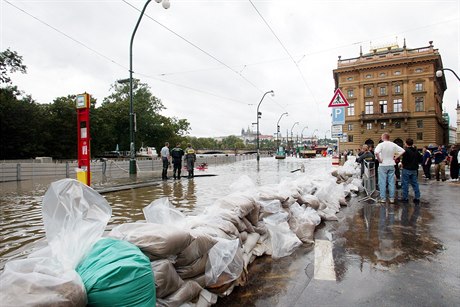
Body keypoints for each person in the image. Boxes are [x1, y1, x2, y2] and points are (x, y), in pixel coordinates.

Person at [374, 133, 405, 203]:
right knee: (391, 182)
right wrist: (396, 156)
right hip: (391, 164)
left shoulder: (380, 145)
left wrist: (379, 159)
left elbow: (376, 152)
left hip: (383, 165)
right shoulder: (393, 144)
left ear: (383, 137)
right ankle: (391, 198)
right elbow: (403, 151)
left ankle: (383, 198)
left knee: (382, 182)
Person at [400, 138, 422, 203]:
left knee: (405, 184)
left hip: (407, 169)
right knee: (415, 183)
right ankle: (417, 197)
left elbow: (404, 161)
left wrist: (403, 164)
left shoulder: (406, 151)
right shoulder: (416, 151)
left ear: (406, 143)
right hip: (414, 169)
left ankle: (405, 197)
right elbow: (420, 159)